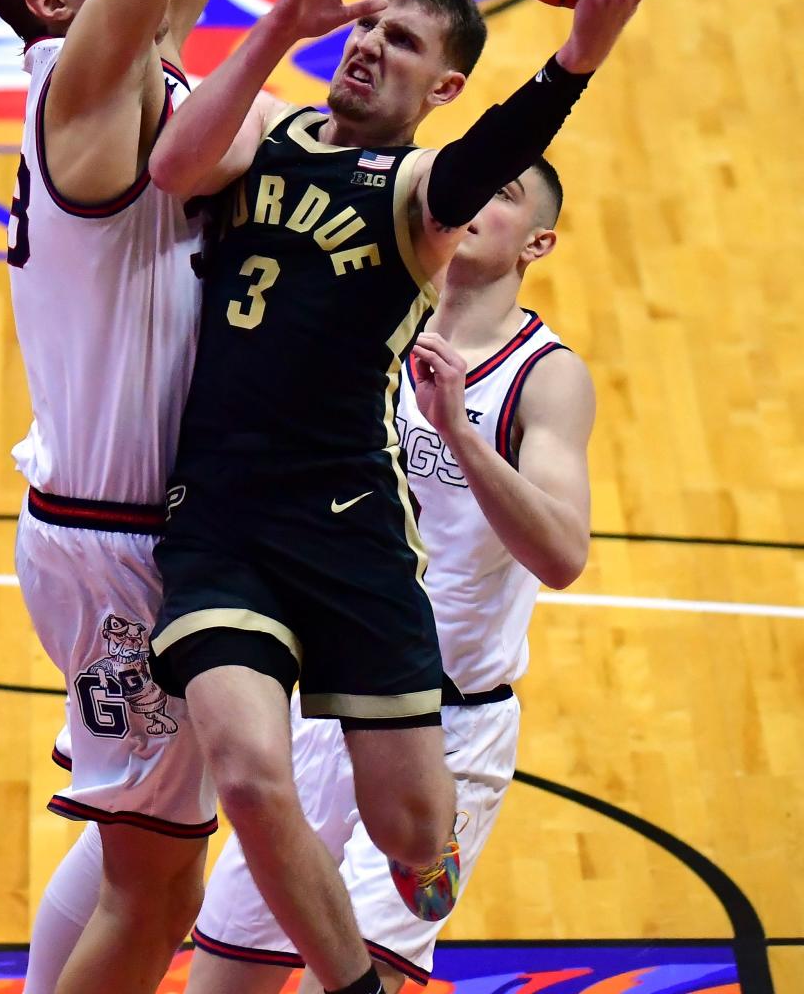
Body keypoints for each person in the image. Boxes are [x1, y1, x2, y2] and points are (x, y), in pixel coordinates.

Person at [0, 0, 375, 992]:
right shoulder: (78, 89)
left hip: (156, 519)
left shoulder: (137, 68)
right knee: (157, 893)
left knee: (141, 854)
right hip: (120, 532)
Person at [146, 0, 662, 994]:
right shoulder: (267, 130)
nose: (372, 41)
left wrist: (581, 56)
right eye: (369, 23)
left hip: (350, 534)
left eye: (406, 40)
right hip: (220, 523)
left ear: (443, 89)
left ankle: (432, 839)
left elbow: (488, 159)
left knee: (413, 840)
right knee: (245, 772)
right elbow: (171, 166)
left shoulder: (419, 194)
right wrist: (282, 22)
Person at [181, 156, 592, 994]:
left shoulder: (545, 375)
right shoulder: (364, 325)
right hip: (330, 704)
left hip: (449, 729)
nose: (475, 197)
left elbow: (563, 555)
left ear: (538, 243)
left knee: (367, 980)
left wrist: (462, 434)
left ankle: (438, 839)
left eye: (503, 195)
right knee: (222, 978)